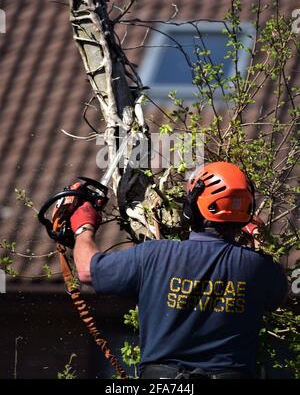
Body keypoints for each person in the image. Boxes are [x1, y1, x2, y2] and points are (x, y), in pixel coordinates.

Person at [69, 161, 288, 379]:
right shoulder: (259, 268)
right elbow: (279, 292)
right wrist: (259, 236)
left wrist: (83, 227)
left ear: (193, 207)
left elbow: (88, 271)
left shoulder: (154, 255)